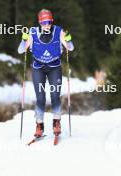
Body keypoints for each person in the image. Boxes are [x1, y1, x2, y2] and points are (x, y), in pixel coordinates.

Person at [17, 9, 74, 137]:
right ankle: (39, 125)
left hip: (54, 67)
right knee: (40, 98)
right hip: (38, 68)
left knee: (55, 95)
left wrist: (68, 38)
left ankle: (56, 122)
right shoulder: (33, 32)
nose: (46, 25)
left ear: (52, 21)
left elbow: (70, 47)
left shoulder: (58, 31)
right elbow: (21, 50)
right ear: (39, 22)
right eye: (43, 22)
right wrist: (24, 39)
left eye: (48, 22)